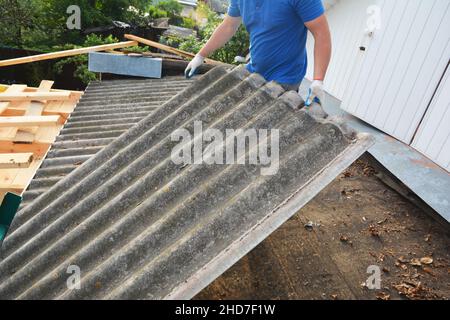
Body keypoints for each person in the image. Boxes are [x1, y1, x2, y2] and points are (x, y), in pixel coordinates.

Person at [185, 0, 332, 105]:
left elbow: (322, 35)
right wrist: (200, 55)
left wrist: (318, 80)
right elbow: (229, 26)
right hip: (255, 69)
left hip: (285, 77)